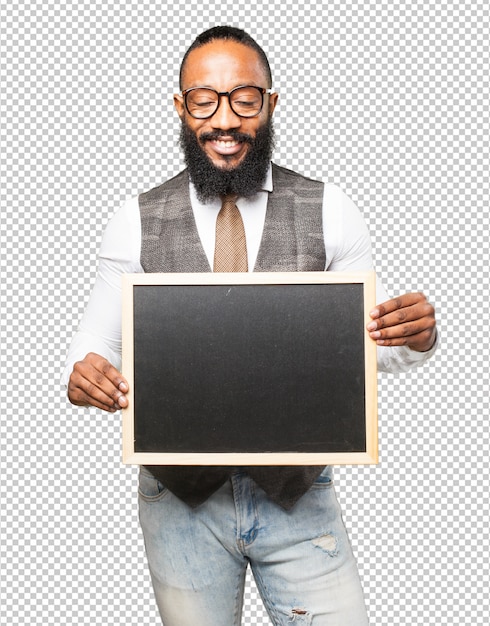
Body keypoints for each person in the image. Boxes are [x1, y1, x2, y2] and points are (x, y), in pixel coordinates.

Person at [63, 26, 437, 626]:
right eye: (204, 101)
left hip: (298, 498)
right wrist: (85, 376)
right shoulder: (132, 221)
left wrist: (414, 337)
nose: (225, 121)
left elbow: (372, 348)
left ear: (270, 103)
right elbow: (92, 348)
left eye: (244, 99)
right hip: (179, 504)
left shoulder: (331, 208)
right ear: (181, 108)